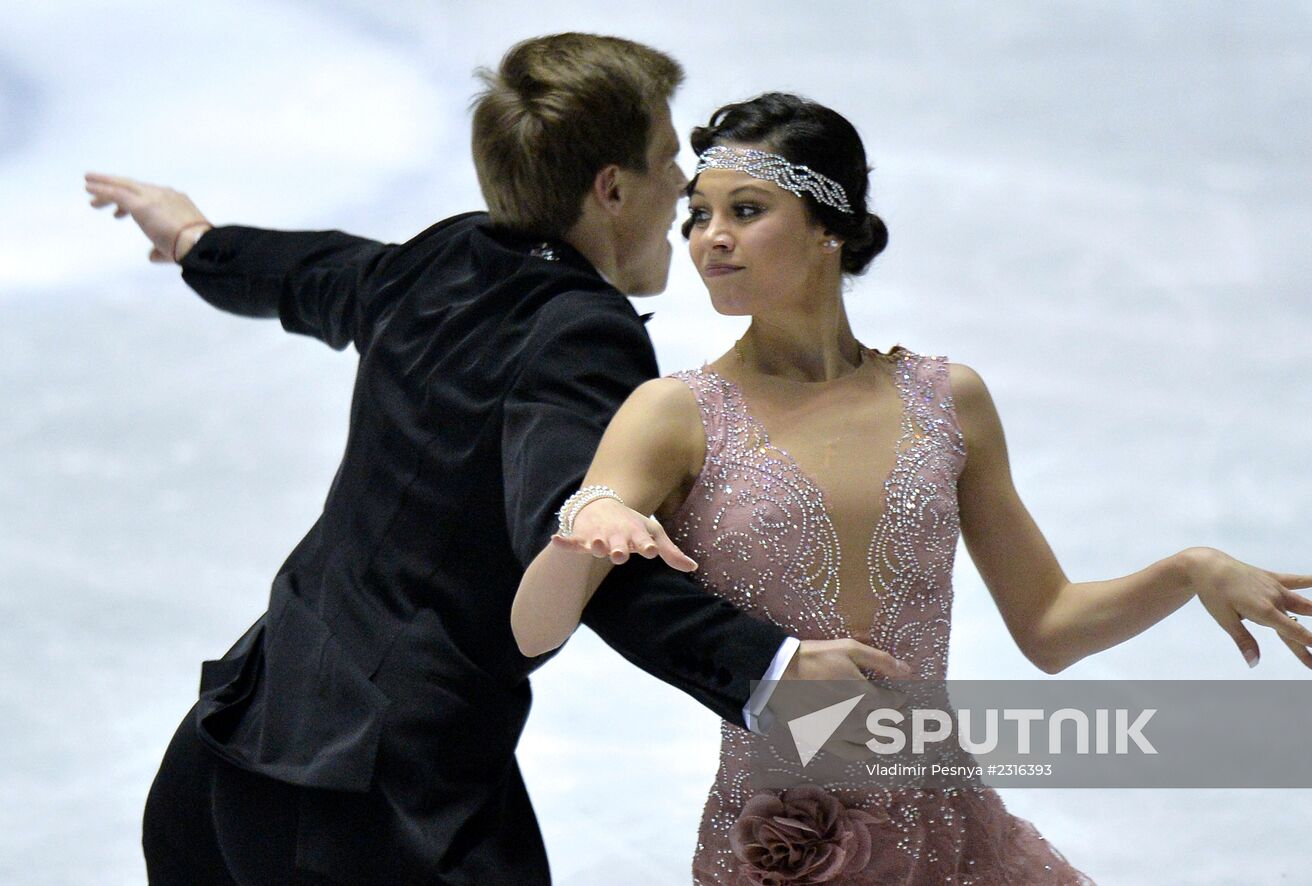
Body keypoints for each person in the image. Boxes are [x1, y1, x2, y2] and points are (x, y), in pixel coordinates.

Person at [84, 37, 907, 885]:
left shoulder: (448, 256)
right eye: (668, 162)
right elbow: (589, 543)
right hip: (379, 807)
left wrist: (194, 238)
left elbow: (323, 274)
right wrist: (771, 669)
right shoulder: (582, 334)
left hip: (228, 760)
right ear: (612, 188)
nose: (683, 192)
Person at [511, 92, 1312, 884]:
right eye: (697, 216)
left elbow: (1050, 628)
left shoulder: (948, 401)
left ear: (828, 229)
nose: (708, 239)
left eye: (745, 211)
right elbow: (533, 629)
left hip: (957, 841)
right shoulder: (671, 415)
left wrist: (1189, 570)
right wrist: (587, 516)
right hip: (785, 845)